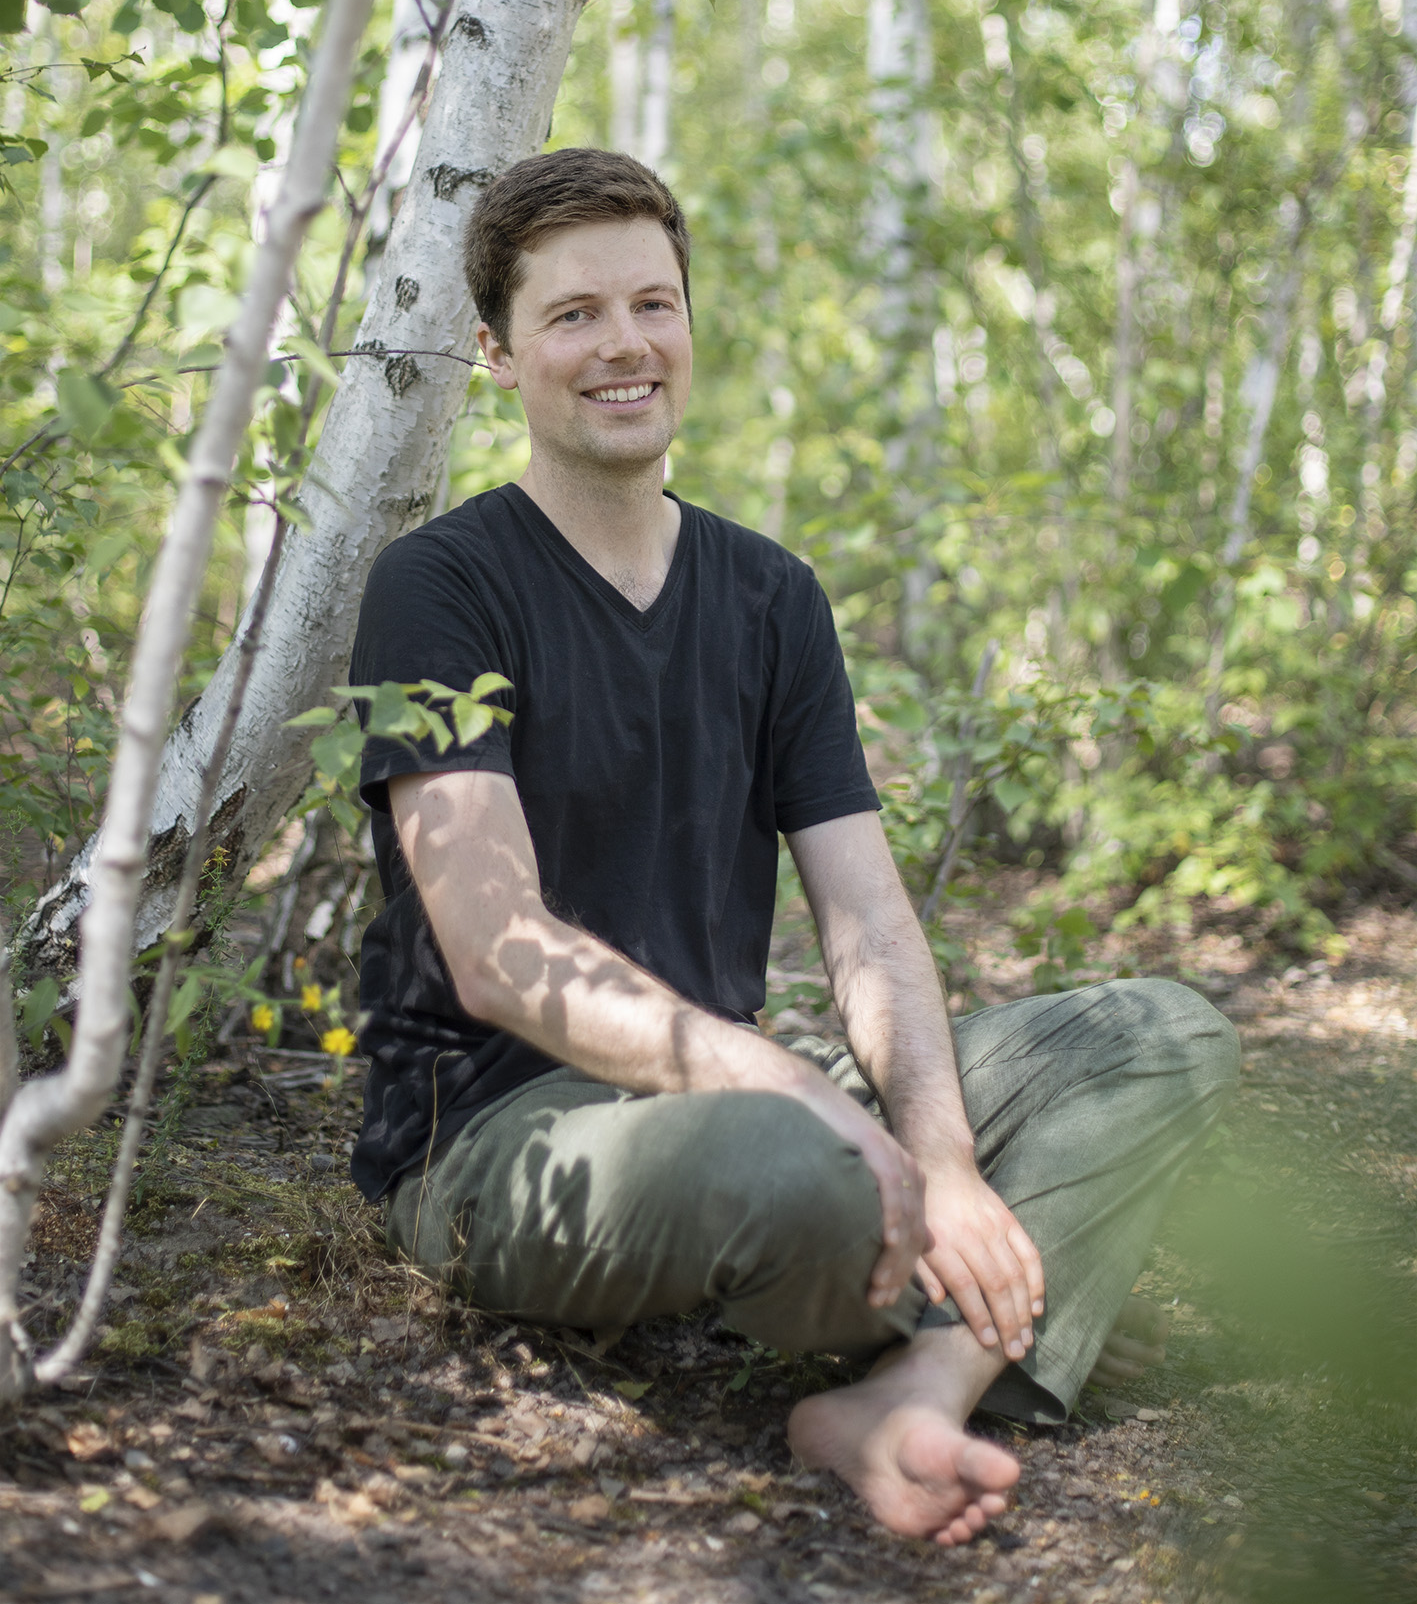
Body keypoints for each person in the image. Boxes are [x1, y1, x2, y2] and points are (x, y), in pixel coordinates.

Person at [347, 147, 1238, 1546]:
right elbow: (499, 956)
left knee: (1161, 1031)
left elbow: (869, 924)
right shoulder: (440, 585)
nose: (623, 344)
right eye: (573, 315)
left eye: (654, 302)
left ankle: (921, 1378)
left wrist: (938, 1156)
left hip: (738, 1090)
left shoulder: (768, 594)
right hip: (504, 1137)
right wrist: (796, 1092)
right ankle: (1029, 1299)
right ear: (497, 354)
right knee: (797, 1171)